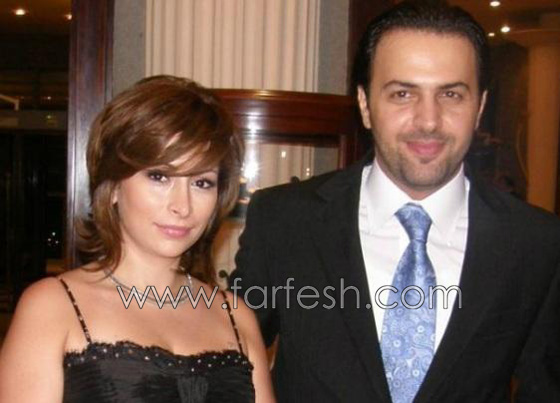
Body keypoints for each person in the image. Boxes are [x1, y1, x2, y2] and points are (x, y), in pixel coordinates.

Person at [230, 1, 560, 402]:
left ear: (480, 108)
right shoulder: (284, 221)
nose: (428, 120)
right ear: (365, 105)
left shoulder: (536, 243)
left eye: (451, 94)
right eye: (403, 94)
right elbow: (230, 366)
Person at [0, 76, 275, 402]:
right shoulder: (52, 306)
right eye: (159, 176)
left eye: (201, 183)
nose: (182, 206)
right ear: (113, 185)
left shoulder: (236, 315)